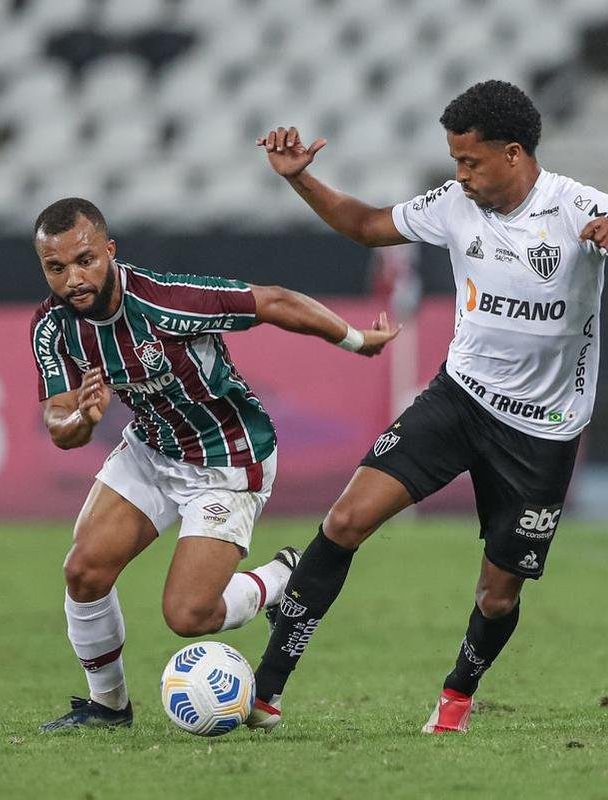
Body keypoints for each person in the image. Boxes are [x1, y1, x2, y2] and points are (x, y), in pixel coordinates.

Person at [243, 80, 608, 735]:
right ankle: (265, 692)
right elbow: (368, 227)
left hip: (542, 431)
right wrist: (301, 180)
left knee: (498, 593)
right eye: (455, 161)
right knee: (344, 521)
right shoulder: (455, 204)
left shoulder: (580, 208)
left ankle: (457, 695)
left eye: (470, 161)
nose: (459, 174)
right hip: (458, 400)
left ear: (513, 154)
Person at [30, 198, 399, 731]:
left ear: (110, 250)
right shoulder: (52, 326)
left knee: (188, 616)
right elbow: (59, 425)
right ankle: (108, 708)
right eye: (56, 268)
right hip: (153, 449)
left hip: (228, 458)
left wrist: (355, 339)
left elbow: (271, 302)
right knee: (83, 572)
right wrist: (83, 421)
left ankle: (284, 576)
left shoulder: (168, 302)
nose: (74, 279)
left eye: (85, 260)